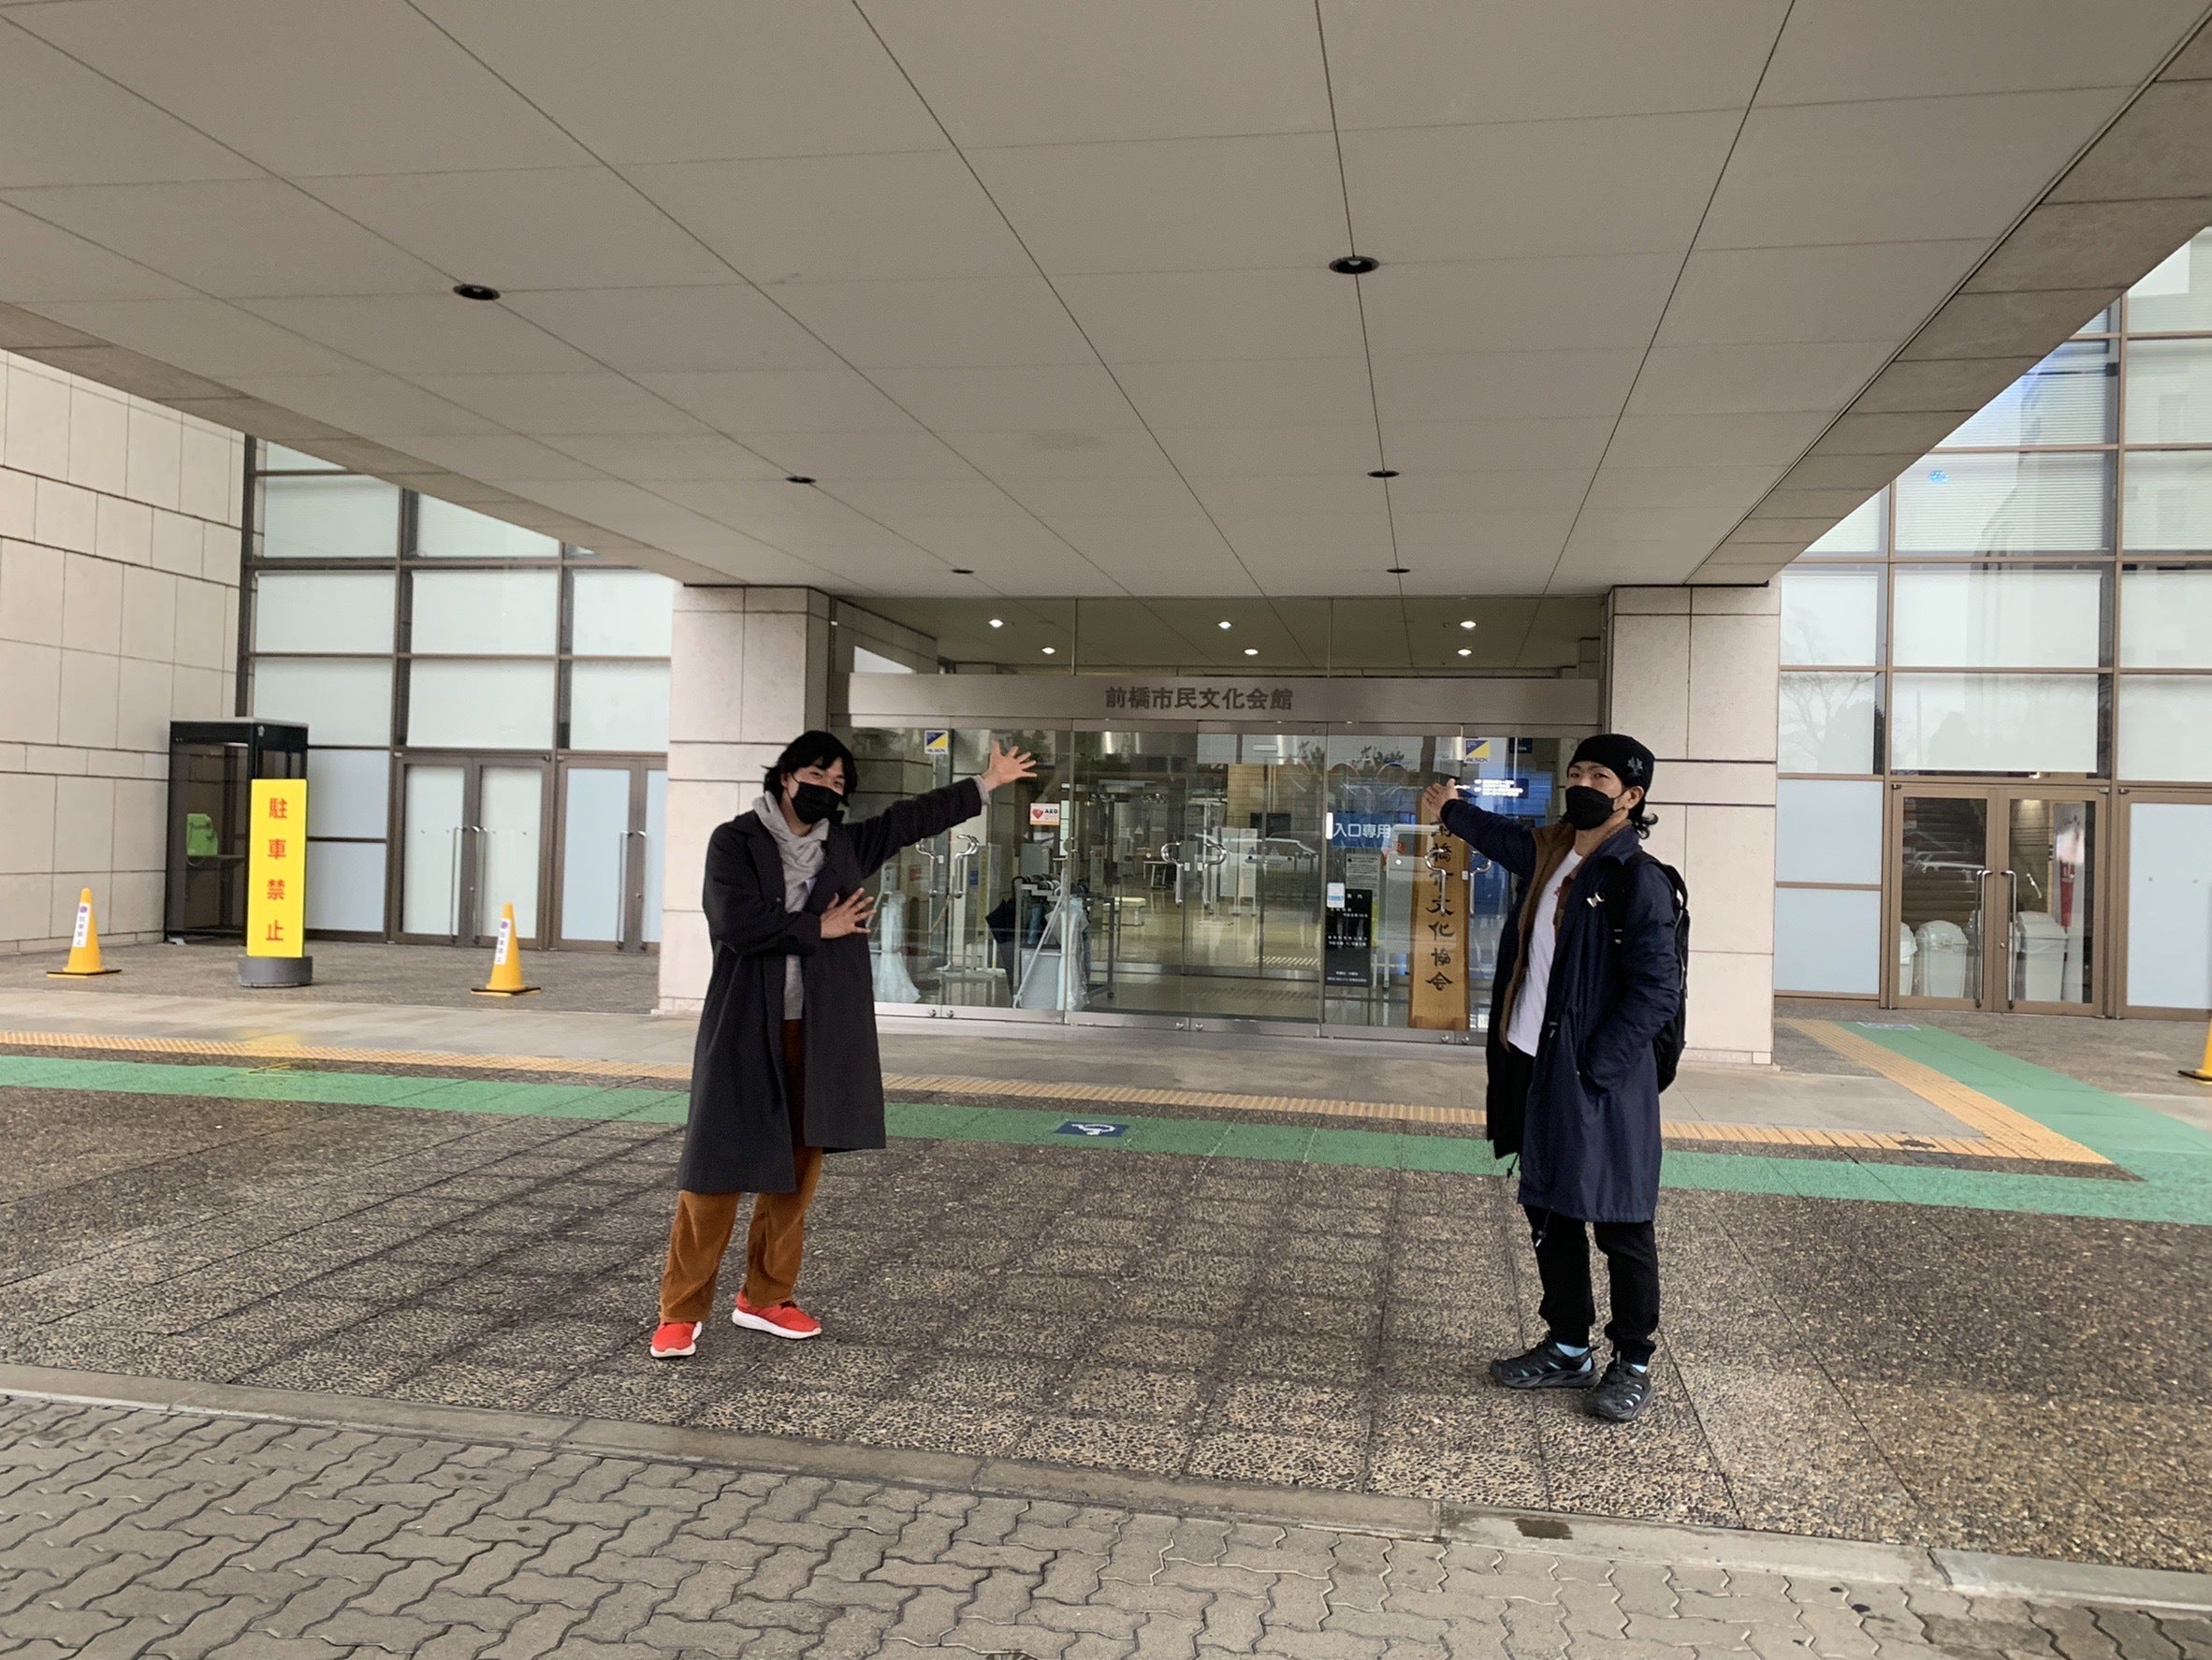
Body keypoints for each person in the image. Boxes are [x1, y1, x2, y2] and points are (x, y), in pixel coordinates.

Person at [650, 730, 1037, 1359]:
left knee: (798, 1171)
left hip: (821, 1029)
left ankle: (766, 1296)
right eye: (818, 776)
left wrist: (986, 783)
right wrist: (818, 926)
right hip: (746, 1027)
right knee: (716, 1170)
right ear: (785, 777)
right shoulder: (735, 841)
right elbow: (735, 922)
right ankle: (681, 1309)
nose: (828, 789)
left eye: (838, 783)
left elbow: (910, 819)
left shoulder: (846, 845)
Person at [1419, 734, 1680, 1422]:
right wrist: (1452, 810)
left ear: (1632, 797)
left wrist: (1596, 1067)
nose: (1583, 784)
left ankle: (1633, 1361)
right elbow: (1501, 837)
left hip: (1598, 1078)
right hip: (1533, 1064)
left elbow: (1657, 990)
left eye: (1601, 777)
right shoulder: (1551, 854)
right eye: (1576, 772)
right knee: (1549, 1208)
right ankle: (1568, 1346)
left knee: (1621, 1220)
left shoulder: (1637, 879)